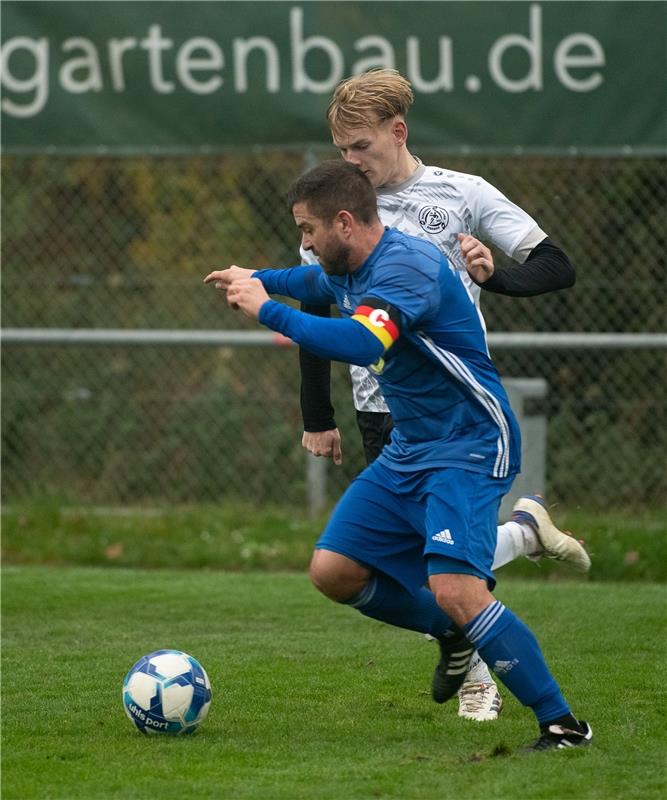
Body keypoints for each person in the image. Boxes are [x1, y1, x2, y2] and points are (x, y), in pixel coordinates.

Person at [204, 159, 593, 752]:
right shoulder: (348, 264)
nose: (304, 242)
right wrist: (256, 275)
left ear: (343, 223)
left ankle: (563, 725)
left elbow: (362, 342)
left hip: (469, 441)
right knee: (334, 572)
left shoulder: (406, 266)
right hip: (412, 447)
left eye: (308, 230)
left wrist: (266, 308)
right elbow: (312, 283)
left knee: (459, 589)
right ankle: (456, 634)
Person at [297, 69, 589, 721]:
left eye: (359, 148)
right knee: (407, 560)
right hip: (380, 408)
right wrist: (317, 415)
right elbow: (319, 309)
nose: (349, 162)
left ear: (396, 133)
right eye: (341, 150)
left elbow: (556, 264)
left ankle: (481, 676)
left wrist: (497, 276)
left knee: (444, 566)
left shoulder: (462, 194)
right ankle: (517, 543)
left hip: (451, 411)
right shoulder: (341, 208)